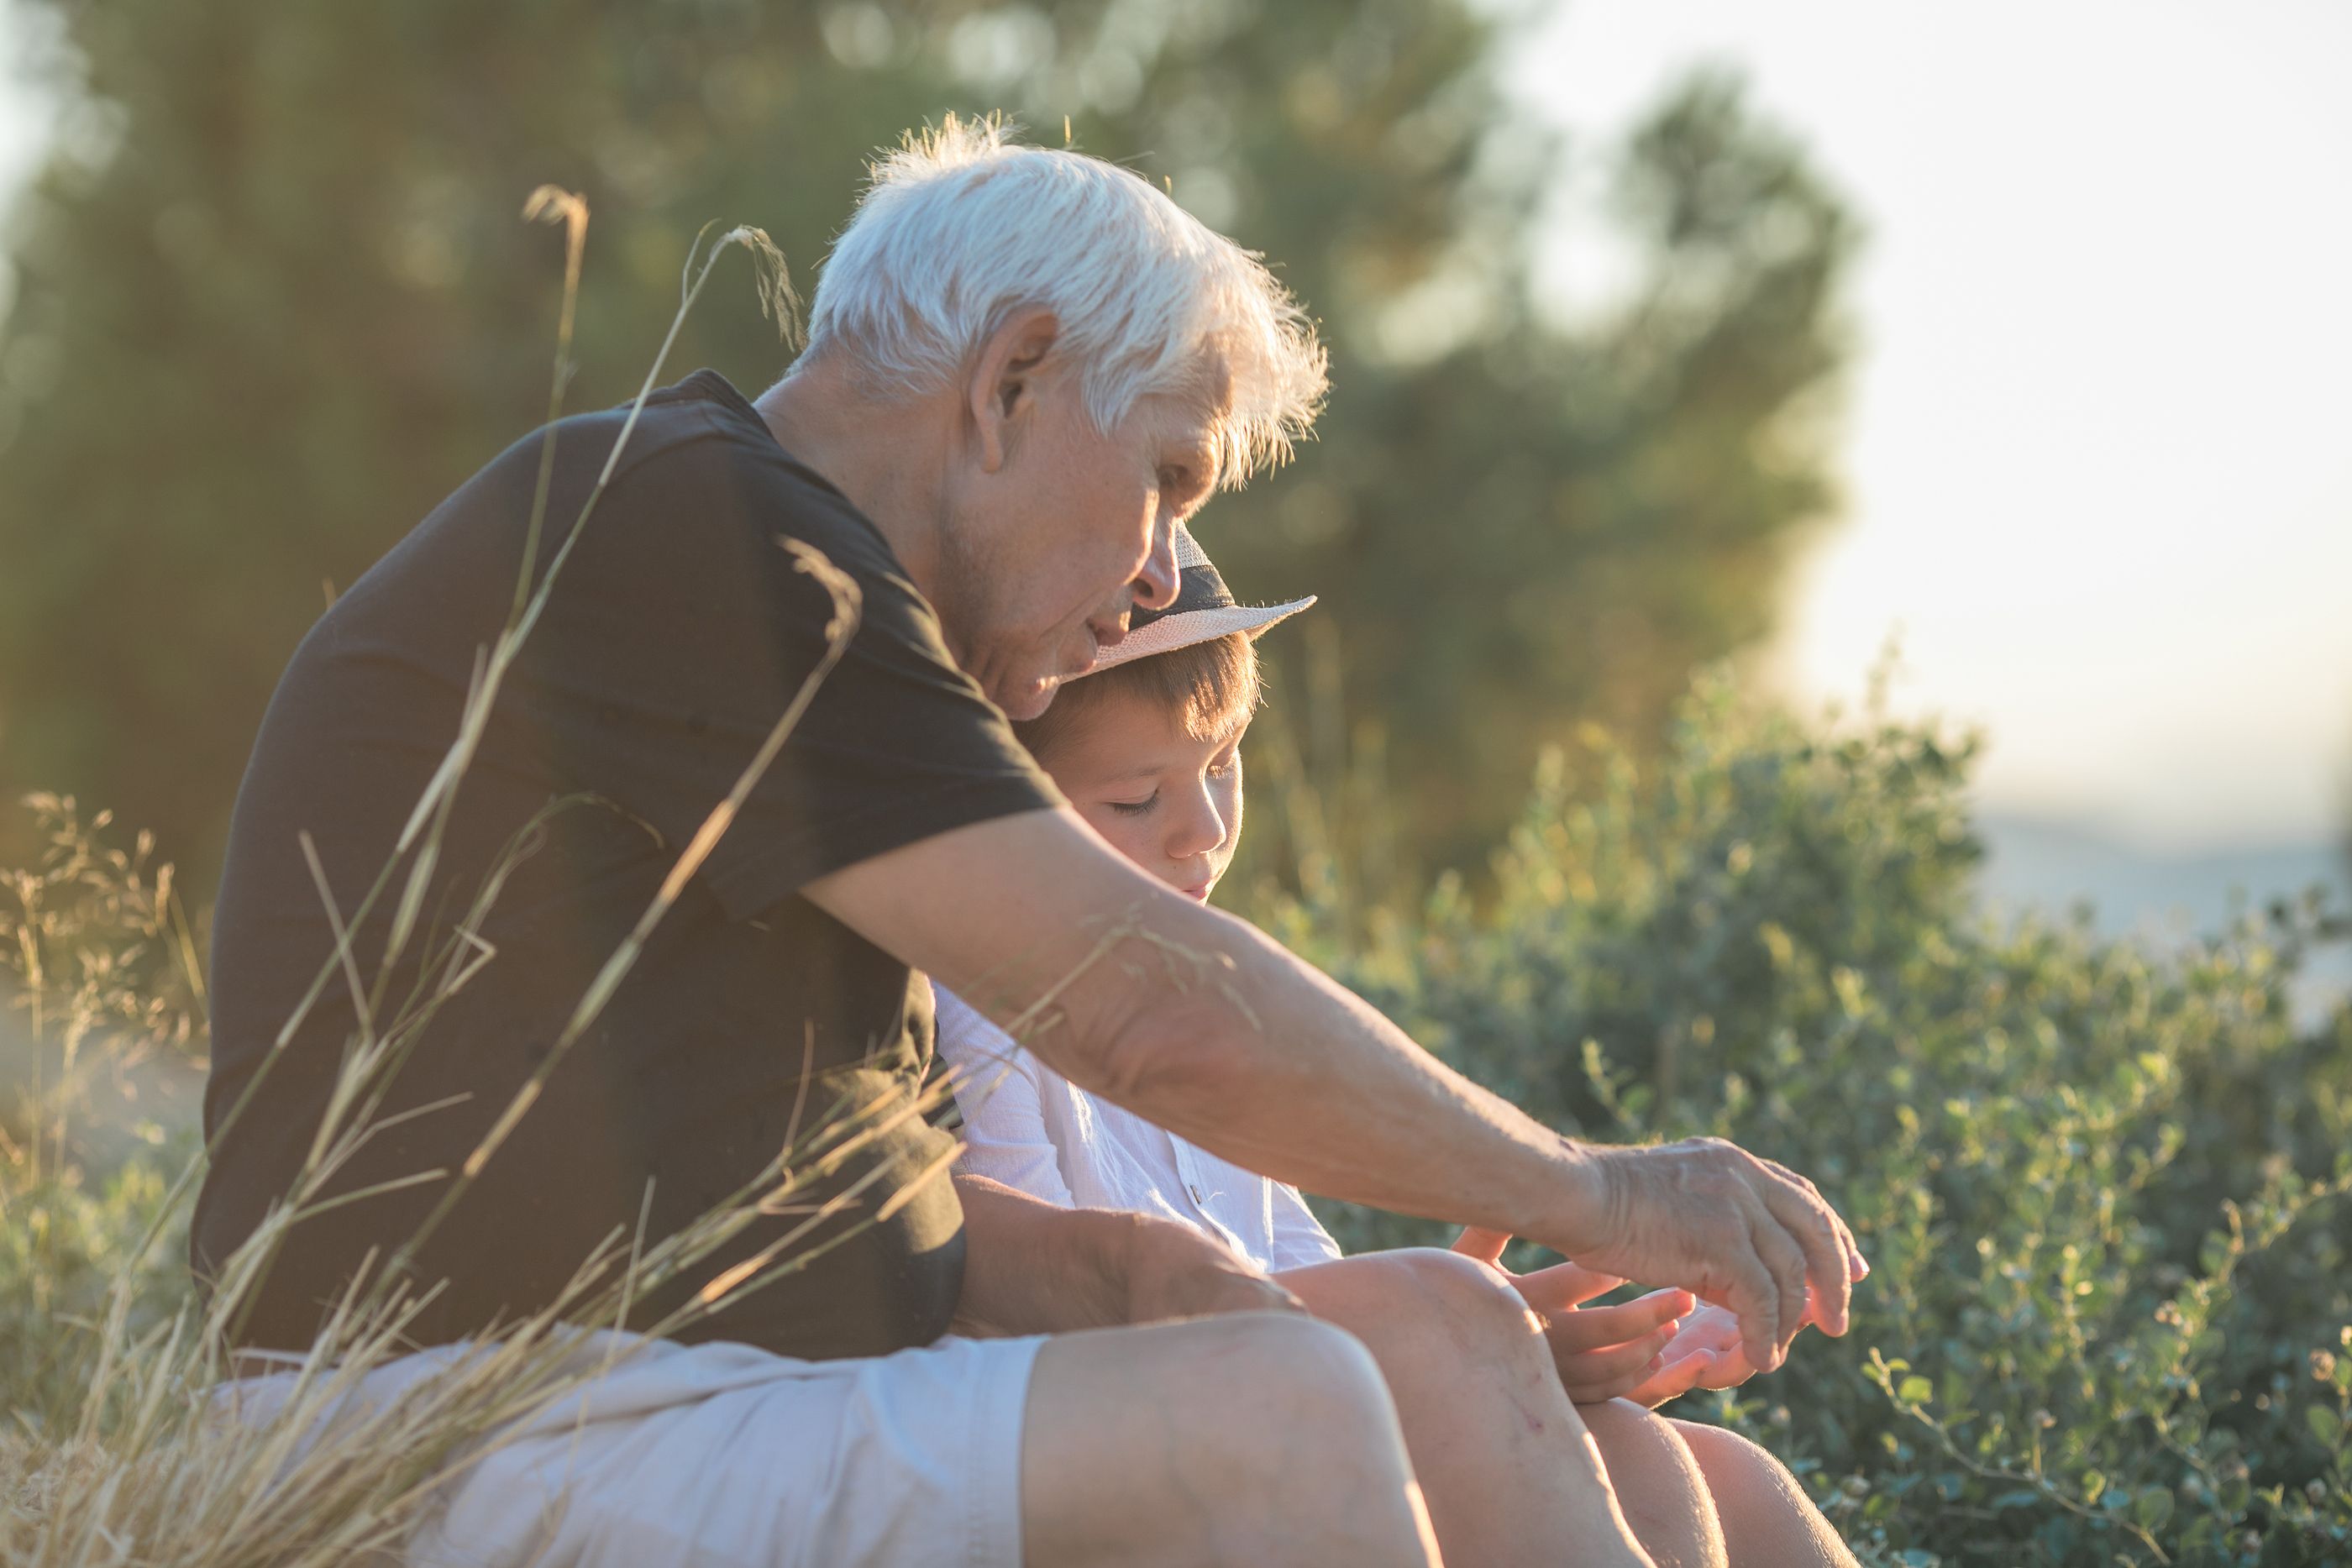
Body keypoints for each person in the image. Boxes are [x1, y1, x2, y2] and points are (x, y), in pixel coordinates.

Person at [195, 116, 1865, 1565]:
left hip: (653, 1401)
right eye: (1167, 478)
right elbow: (1148, 1013)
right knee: (1269, 1422)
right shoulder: (711, 540)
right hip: (466, 1422)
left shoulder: (791, 595)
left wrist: (1144, 1274)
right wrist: (1590, 1189)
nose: (1161, 580)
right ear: (1005, 383)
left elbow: (813, 1189)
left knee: (1376, 1349)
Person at [935, 533, 1857, 1568]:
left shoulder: (1222, 988)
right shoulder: (978, 1006)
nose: (1202, 827)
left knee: (1703, 1465)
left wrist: (1500, 1350)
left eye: (1224, 764)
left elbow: (1303, 1273)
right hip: (1122, 1468)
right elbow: (1033, 1315)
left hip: (1263, 1421)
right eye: (1133, 799)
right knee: (1580, 1424)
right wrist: (1452, 1339)